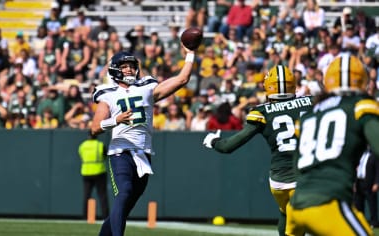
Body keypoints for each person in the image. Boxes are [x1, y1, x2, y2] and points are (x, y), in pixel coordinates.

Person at [90, 43, 196, 236]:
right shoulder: (108, 94)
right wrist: (116, 120)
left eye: (131, 65)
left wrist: (190, 54)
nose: (129, 69)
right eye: (124, 66)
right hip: (120, 152)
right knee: (124, 193)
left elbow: (182, 79)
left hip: (143, 154)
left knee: (124, 207)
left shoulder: (146, 87)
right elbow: (95, 127)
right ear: (115, 69)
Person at [203, 65, 313, 236]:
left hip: (279, 181)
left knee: (285, 213)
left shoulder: (261, 112)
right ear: (293, 85)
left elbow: (227, 147)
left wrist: (214, 141)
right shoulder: (311, 103)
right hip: (308, 176)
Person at [286, 54, 379, 236]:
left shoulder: (310, 114)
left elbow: (296, 164)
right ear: (362, 80)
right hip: (328, 201)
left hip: (296, 205)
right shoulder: (361, 106)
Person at [78, 132, 110, 219]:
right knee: (102, 195)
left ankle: (85, 216)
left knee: (86, 195)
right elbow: (105, 156)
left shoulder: (82, 145)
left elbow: (81, 156)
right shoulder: (100, 145)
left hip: (86, 172)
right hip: (99, 172)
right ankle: (105, 216)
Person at [354, 149, 379, 228]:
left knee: (372, 204)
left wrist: (376, 183)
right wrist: (354, 183)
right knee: (358, 203)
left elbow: (378, 171)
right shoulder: (359, 155)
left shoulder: (374, 156)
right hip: (359, 182)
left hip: (369, 183)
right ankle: (361, 221)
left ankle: (373, 222)